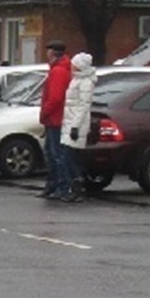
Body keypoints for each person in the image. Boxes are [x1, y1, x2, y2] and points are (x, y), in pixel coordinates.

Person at [37, 39, 77, 200]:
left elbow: (55, 97)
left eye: (48, 51)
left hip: (55, 119)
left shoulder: (58, 71)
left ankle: (61, 186)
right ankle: (53, 184)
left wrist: (45, 113)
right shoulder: (59, 69)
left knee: (56, 154)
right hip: (55, 118)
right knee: (53, 153)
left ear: (52, 53)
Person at [60, 51, 97, 202]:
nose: (71, 67)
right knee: (68, 157)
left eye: (74, 65)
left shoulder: (85, 82)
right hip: (70, 122)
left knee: (71, 158)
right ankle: (74, 186)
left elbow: (83, 105)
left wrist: (75, 126)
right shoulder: (76, 80)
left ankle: (77, 187)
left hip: (76, 124)